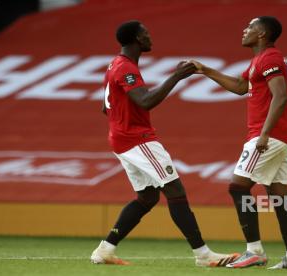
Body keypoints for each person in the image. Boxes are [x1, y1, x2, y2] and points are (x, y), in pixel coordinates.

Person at [90, 20, 239, 267]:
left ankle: (104, 251)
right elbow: (146, 101)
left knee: (147, 198)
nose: (150, 37)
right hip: (138, 140)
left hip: (121, 139)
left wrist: (122, 120)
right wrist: (177, 76)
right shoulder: (125, 68)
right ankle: (204, 255)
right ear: (137, 39)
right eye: (146, 33)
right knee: (175, 192)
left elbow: (105, 107)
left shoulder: (114, 65)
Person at [190, 16, 287, 269]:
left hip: (269, 135)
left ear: (263, 34)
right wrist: (205, 70)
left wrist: (264, 133)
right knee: (278, 195)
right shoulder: (259, 60)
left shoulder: (270, 58)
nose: (245, 30)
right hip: (280, 135)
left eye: (251, 27)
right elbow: (241, 86)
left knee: (237, 187)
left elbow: (281, 96)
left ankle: (254, 251)